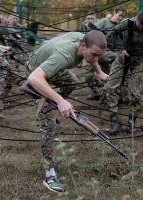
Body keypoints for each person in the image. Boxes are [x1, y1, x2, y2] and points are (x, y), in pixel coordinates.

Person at [25, 31, 108, 192]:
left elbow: (92, 54)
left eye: (99, 56)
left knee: (72, 82)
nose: (96, 59)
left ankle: (51, 103)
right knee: (48, 126)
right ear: (83, 46)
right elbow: (34, 78)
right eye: (94, 55)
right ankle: (49, 175)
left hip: (47, 65)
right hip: (34, 72)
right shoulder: (64, 56)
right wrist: (60, 101)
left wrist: (98, 71)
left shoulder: (85, 41)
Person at [103, 10, 143, 134]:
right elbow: (113, 32)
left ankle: (132, 121)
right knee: (111, 87)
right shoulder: (128, 23)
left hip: (139, 60)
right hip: (122, 57)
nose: (139, 27)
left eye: (142, 27)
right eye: (138, 24)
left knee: (135, 93)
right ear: (136, 19)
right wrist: (121, 47)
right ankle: (115, 120)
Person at [85, 5, 127, 101]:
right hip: (96, 52)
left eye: (122, 17)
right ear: (114, 12)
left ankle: (107, 96)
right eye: (119, 15)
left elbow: (121, 43)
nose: (120, 18)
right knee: (88, 76)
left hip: (109, 55)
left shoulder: (121, 27)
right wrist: (103, 37)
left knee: (108, 78)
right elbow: (93, 33)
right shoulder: (104, 22)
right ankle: (97, 93)